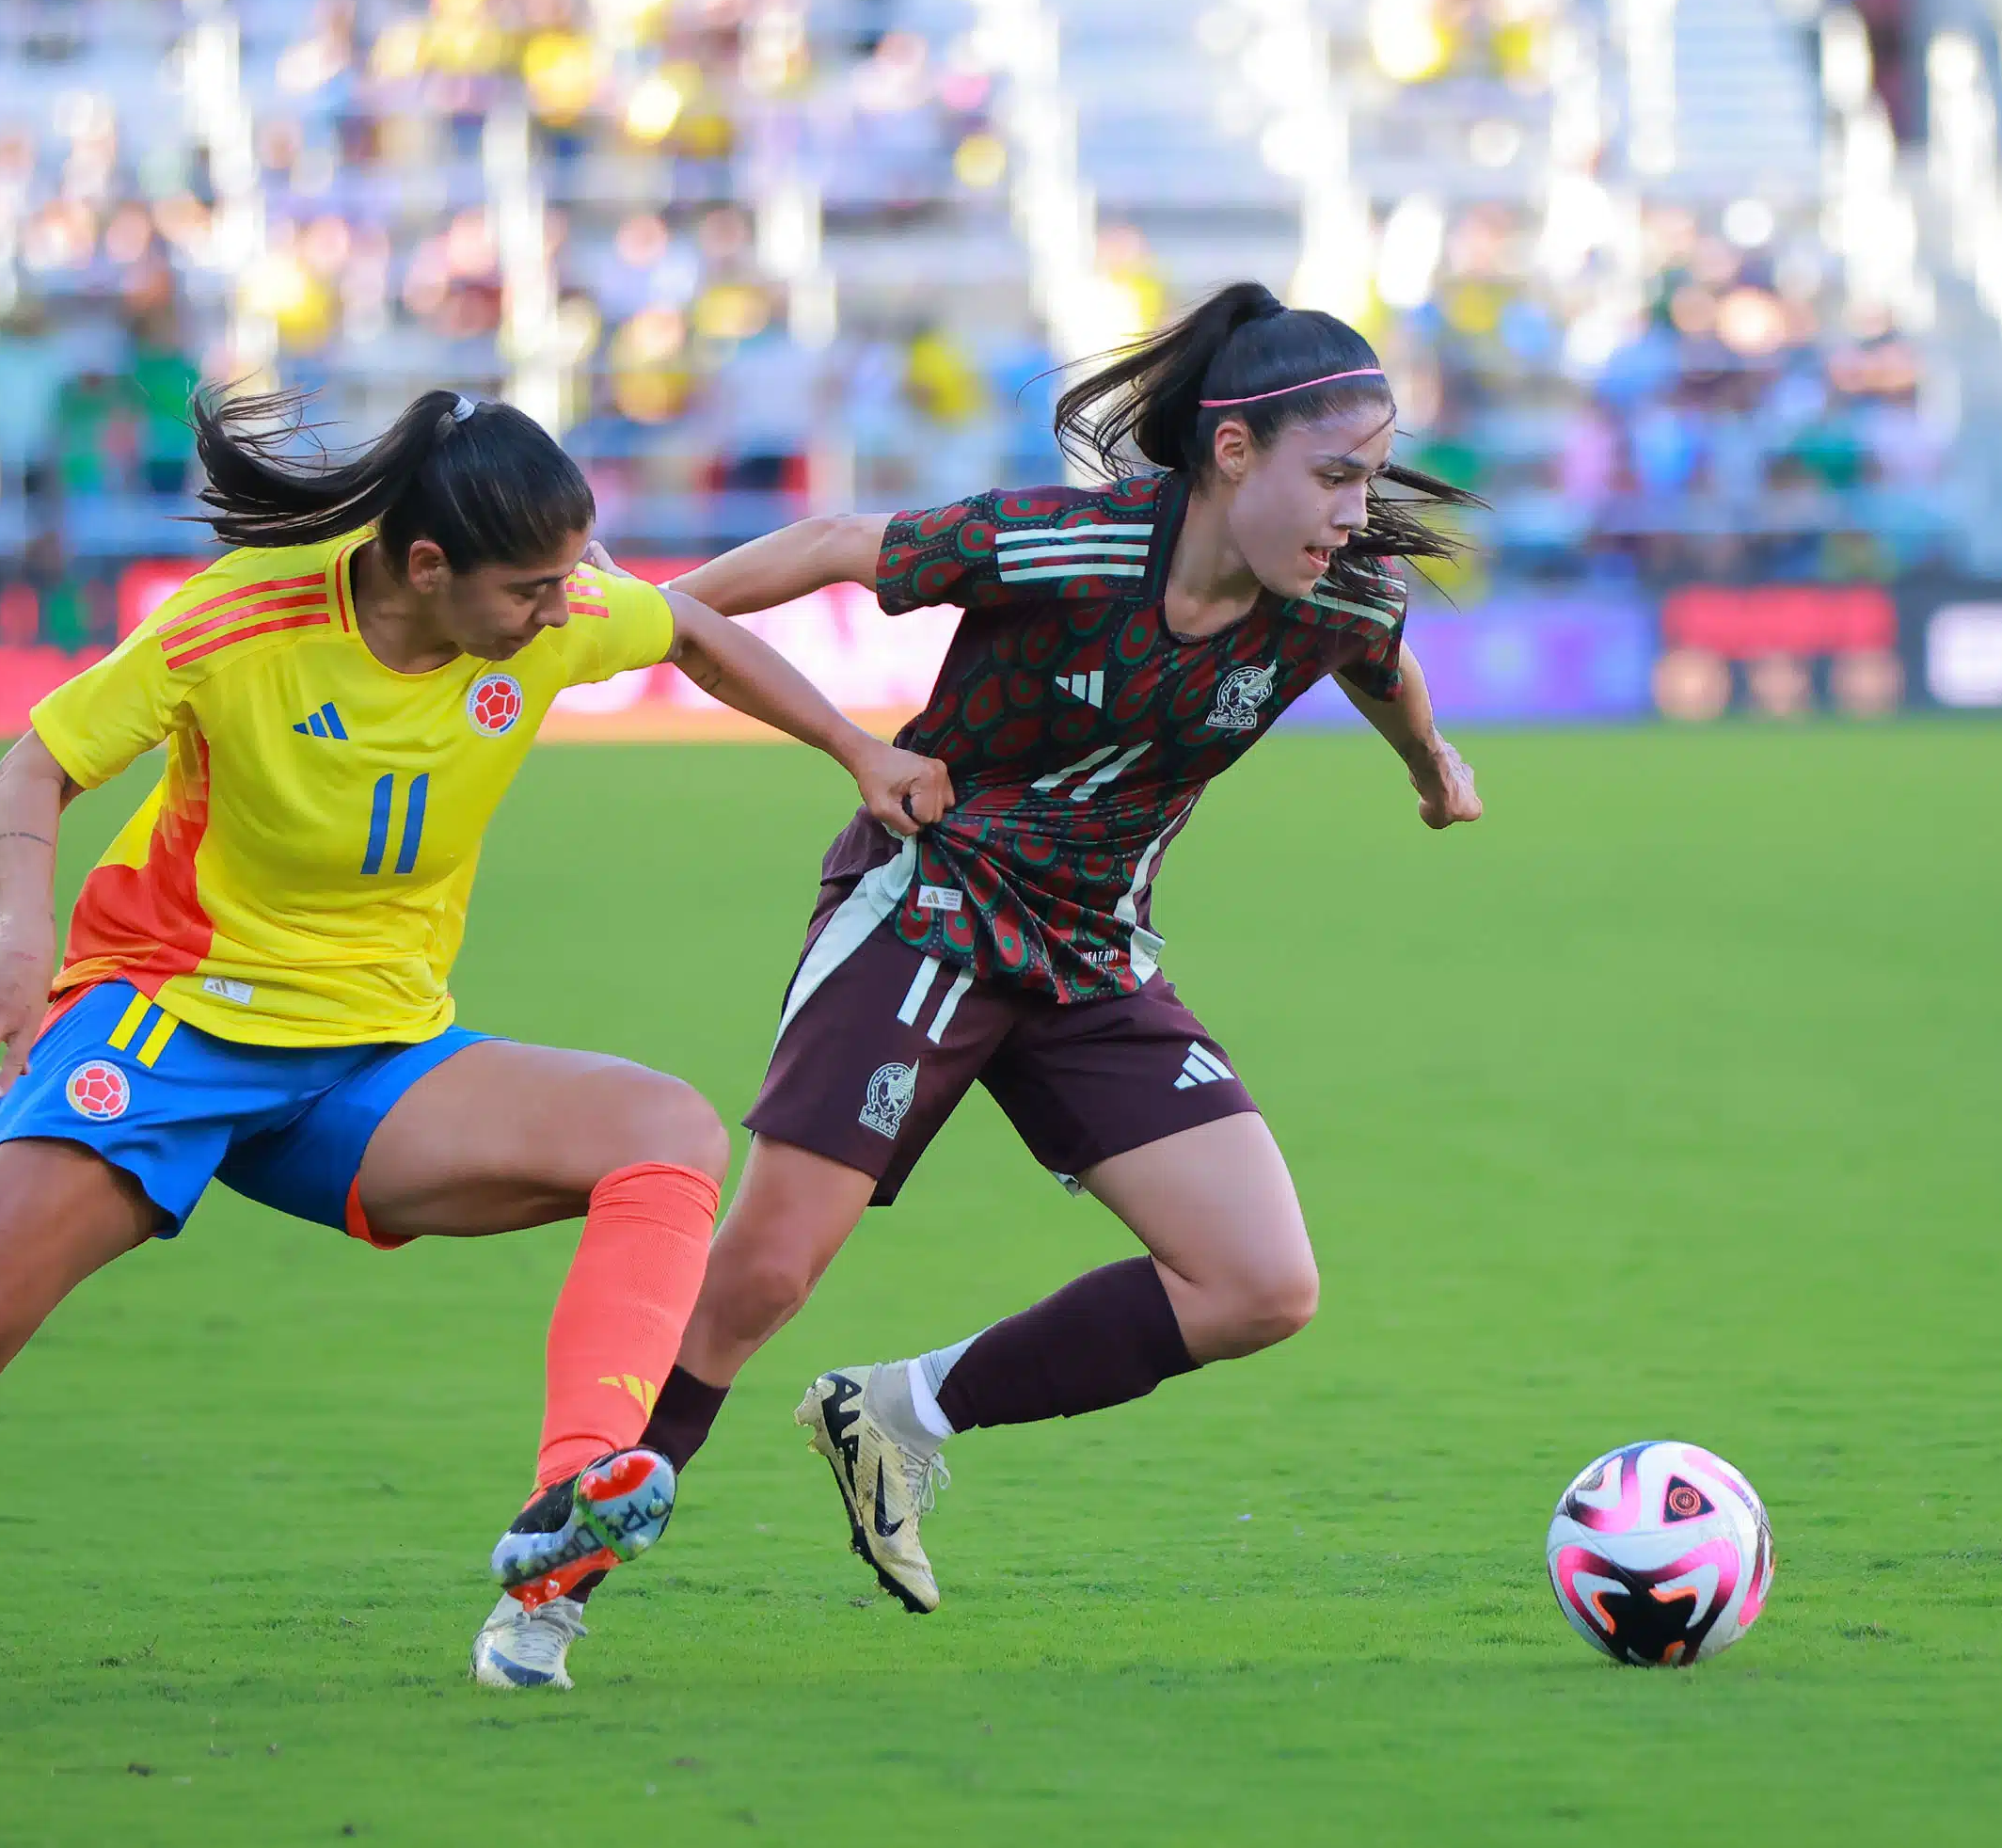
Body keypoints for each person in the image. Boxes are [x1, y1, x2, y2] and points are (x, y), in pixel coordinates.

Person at [0, 388, 955, 1699]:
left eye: (568, 580)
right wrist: (19, 941)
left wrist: (854, 747)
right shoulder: (238, 624)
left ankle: (574, 1495)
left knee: (666, 1129)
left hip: (373, 1060)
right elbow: (36, 763)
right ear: (423, 566)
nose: (562, 611)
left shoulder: (548, 611)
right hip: (168, 1030)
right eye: (532, 588)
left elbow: (691, 628)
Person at [548, 283, 1484, 1639]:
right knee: (761, 1274)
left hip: (1092, 953)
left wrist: (1430, 763)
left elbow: (1381, 659)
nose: (1356, 509)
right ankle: (556, 1578)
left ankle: (898, 1411)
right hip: (929, 904)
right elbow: (833, 540)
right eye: (1333, 475)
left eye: (1370, 479)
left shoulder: (1338, 589)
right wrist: (647, 619)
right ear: (1233, 453)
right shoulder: (1069, 546)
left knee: (1259, 1283)